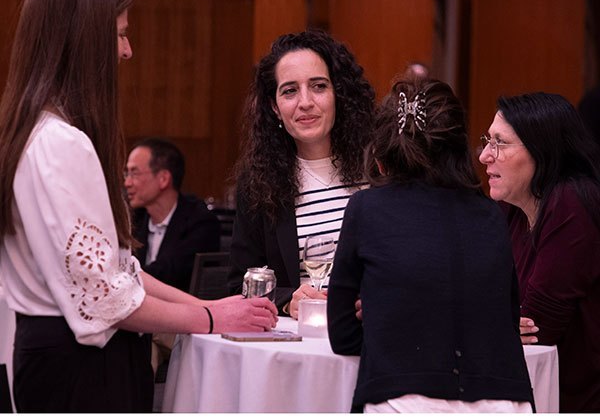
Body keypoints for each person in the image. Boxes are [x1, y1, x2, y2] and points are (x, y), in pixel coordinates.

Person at [0, 0, 277, 413]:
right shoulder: (60, 144)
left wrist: (216, 308)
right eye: (121, 34)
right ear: (85, 42)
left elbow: (118, 269)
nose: (127, 51)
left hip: (61, 358)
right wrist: (210, 316)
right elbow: (108, 299)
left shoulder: (38, 132)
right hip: (79, 368)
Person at [327, 76, 534, 413]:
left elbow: (343, 334)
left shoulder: (367, 209)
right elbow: (506, 323)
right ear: (459, 149)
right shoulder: (490, 215)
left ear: (381, 151)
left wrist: (395, 322)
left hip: (402, 401)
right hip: (505, 402)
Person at [227, 29, 375, 317]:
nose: (305, 102)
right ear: (274, 106)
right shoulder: (259, 182)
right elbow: (239, 285)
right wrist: (286, 300)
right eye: (290, 90)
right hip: (303, 343)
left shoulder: (378, 169)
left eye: (318, 86)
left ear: (338, 95)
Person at [479, 92, 600, 413]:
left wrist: (491, 315)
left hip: (576, 402)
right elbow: (481, 292)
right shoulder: (512, 210)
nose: (484, 156)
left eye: (500, 143)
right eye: (487, 141)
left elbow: (537, 327)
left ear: (541, 150)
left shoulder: (572, 203)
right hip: (531, 390)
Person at [125, 137, 220, 292]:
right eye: (126, 174)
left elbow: (170, 274)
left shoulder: (200, 223)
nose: (127, 183)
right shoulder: (132, 219)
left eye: (134, 174)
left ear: (163, 179)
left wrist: (124, 278)